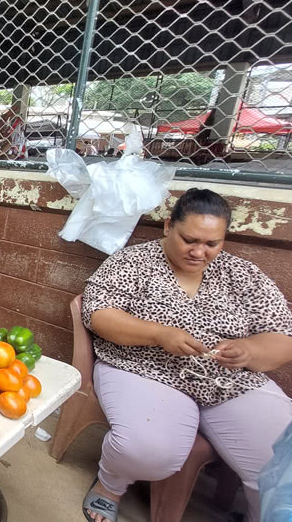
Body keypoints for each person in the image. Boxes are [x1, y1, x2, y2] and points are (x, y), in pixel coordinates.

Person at [80, 188, 292, 522]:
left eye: (212, 244)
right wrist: (159, 333)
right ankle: (110, 484)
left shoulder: (243, 275)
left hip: (230, 381)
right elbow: (98, 313)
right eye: (189, 239)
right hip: (145, 369)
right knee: (147, 449)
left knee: (284, 460)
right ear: (168, 226)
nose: (198, 252)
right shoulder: (132, 262)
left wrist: (249, 350)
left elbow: (282, 336)